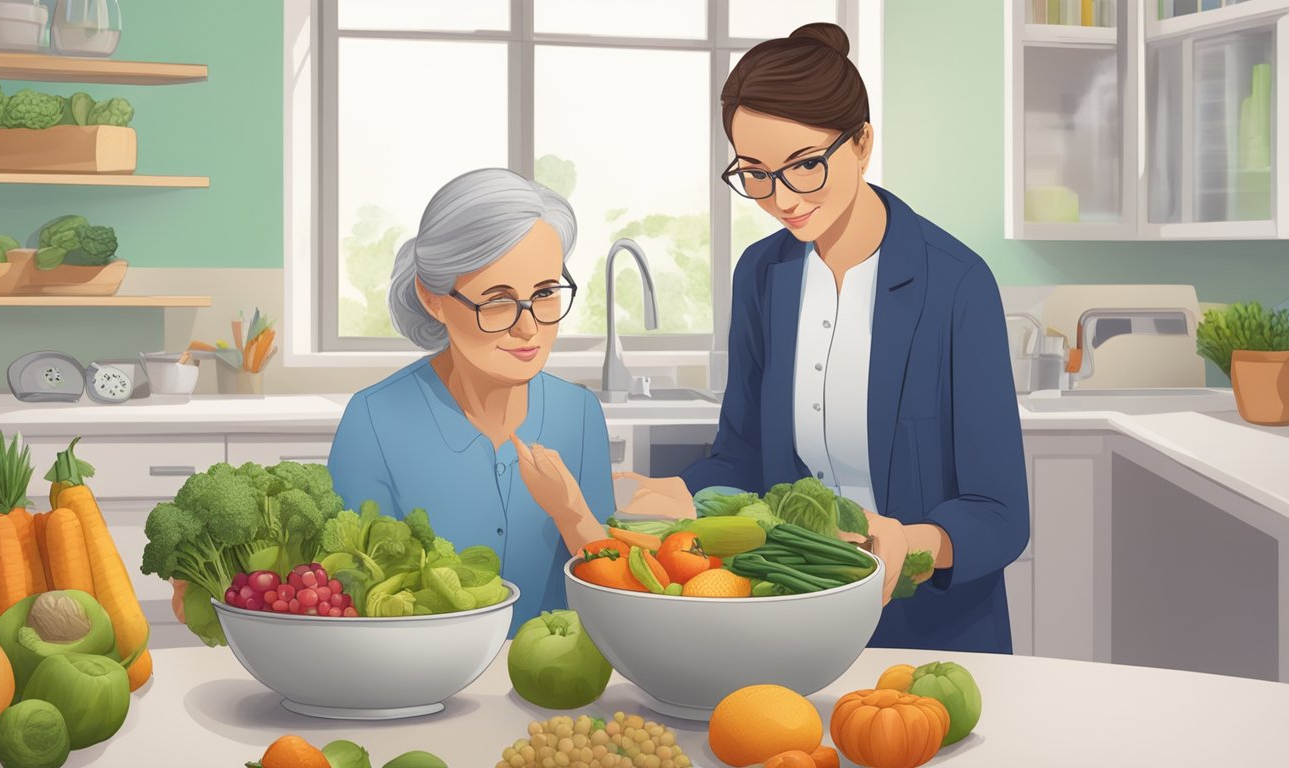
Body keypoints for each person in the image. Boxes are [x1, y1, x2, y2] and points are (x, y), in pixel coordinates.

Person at [617, 23, 1030, 653]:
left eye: (805, 166)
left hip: (933, 632)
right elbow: (745, 455)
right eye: (755, 173)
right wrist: (679, 490)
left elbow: (1000, 515)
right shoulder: (763, 274)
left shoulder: (956, 285)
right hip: (792, 610)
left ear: (862, 143)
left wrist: (911, 541)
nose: (782, 198)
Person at [326, 168, 611, 636]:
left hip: (561, 683)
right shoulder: (375, 419)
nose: (528, 328)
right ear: (433, 298)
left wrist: (572, 513)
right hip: (417, 677)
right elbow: (352, 593)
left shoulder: (579, 415)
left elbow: (610, 583)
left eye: (544, 294)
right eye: (498, 301)